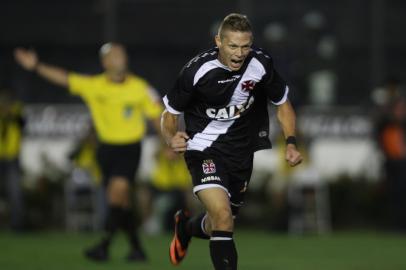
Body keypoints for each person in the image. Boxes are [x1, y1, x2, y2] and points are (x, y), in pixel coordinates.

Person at [161, 13, 303, 269]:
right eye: (233, 46)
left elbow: (283, 105)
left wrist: (291, 142)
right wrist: (171, 137)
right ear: (219, 41)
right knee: (223, 217)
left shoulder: (261, 64)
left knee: (220, 221)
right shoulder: (197, 71)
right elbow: (169, 114)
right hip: (203, 148)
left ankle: (186, 227)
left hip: (241, 152)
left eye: (245, 46)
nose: (239, 53)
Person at [14, 43, 163, 261]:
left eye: (122, 55)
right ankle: (137, 248)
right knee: (121, 203)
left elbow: (157, 115)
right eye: (115, 56)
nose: (121, 59)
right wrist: (36, 65)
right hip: (105, 150)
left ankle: (103, 245)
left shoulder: (140, 87)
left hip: (129, 148)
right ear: (105, 62)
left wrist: (168, 141)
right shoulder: (95, 85)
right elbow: (64, 77)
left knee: (116, 194)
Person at [0, 88, 25, 231]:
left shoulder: (16, 111)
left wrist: (10, 113)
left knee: (15, 192)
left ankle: (17, 225)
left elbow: (22, 124)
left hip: (11, 157)